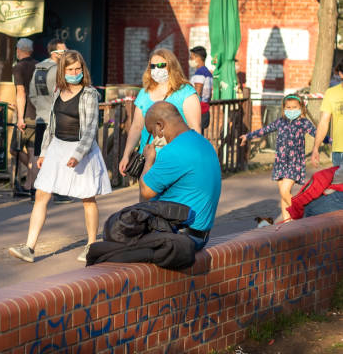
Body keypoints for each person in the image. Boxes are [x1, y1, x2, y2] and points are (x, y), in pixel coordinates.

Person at [9, 50, 112, 263]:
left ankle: (92, 244)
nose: (75, 73)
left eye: (78, 69)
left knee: (87, 198)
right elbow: (51, 125)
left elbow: (91, 128)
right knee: (41, 195)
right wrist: (44, 152)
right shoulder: (58, 91)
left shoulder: (89, 94)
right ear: (62, 72)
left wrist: (78, 154)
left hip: (80, 149)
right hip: (57, 147)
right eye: (70, 70)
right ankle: (29, 246)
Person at [140, 101, 221, 251]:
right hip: (199, 234)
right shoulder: (203, 142)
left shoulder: (173, 150)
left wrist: (148, 161)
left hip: (178, 236)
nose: (153, 138)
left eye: (152, 132)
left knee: (116, 232)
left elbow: (146, 192)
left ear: (160, 126)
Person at [119, 48, 201, 177]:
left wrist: (193, 157)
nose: (157, 69)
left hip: (177, 158)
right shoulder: (144, 93)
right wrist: (126, 155)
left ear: (171, 66)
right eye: (153, 66)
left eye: (162, 65)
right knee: (147, 196)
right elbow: (136, 127)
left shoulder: (186, 92)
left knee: (171, 197)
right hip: (148, 160)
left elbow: (195, 128)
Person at [240, 94, 317, 222]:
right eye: (288, 107)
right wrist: (248, 136)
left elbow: (317, 133)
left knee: (286, 190)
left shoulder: (304, 123)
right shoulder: (280, 121)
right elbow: (265, 130)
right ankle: (287, 223)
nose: (291, 110)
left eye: (294, 107)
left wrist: (332, 141)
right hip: (281, 162)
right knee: (283, 194)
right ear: (284, 108)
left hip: (294, 163)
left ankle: (299, 213)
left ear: (301, 108)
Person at [28, 38, 70, 203]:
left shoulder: (39, 69)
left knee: (38, 154)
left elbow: (32, 94)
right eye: (63, 52)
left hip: (41, 116)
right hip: (55, 118)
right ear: (55, 54)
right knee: (58, 155)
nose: (66, 54)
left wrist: (41, 106)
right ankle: (58, 192)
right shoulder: (59, 70)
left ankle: (35, 189)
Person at [11, 38, 38, 197]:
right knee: (34, 153)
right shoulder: (40, 66)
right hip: (39, 113)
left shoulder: (18, 67)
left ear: (18, 50)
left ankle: (32, 185)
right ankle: (30, 186)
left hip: (27, 114)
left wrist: (20, 118)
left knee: (14, 149)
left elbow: (21, 93)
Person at [312, 65, 343, 169]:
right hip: (339, 151)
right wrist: (316, 147)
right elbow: (324, 122)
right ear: (341, 74)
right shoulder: (331, 93)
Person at [189, 46, 213, 133]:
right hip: (205, 108)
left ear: (198, 58)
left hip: (198, 110)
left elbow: (197, 93)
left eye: (191, 57)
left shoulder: (200, 72)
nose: (190, 60)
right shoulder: (208, 73)